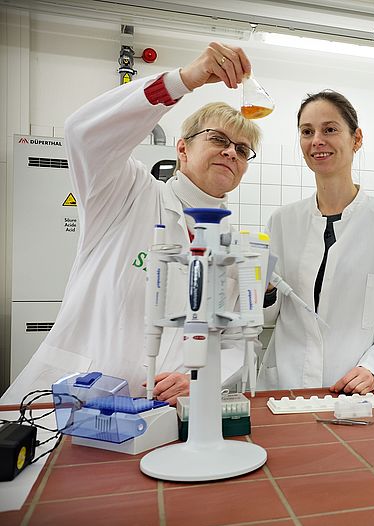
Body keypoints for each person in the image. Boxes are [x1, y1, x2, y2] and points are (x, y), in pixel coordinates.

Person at [1, 42, 260, 406]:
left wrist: (203, 376)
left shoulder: (231, 247)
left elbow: (232, 340)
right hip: (72, 407)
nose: (231, 151)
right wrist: (183, 80)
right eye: (218, 139)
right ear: (182, 149)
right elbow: (82, 132)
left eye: (243, 149)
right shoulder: (127, 192)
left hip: (164, 417)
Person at [257, 90, 374, 394]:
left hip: (359, 386)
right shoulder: (281, 223)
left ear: (357, 138)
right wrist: (265, 293)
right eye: (306, 132)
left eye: (330, 129)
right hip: (287, 384)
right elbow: (267, 314)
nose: (317, 141)